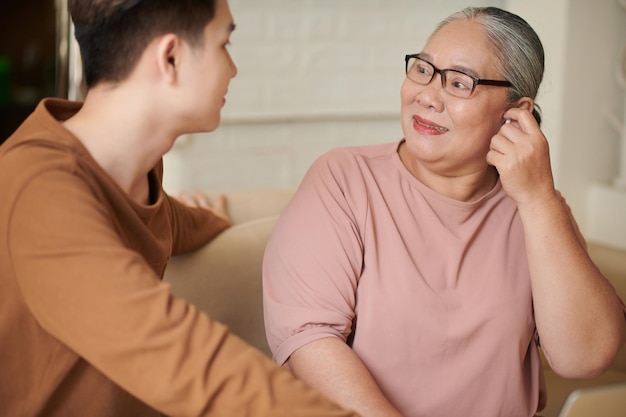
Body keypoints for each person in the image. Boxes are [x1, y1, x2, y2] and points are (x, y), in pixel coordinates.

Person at [0, 1, 361, 416]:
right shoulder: (40, 190)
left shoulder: (134, 172)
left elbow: (169, 220)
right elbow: (185, 360)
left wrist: (218, 218)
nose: (233, 68)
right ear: (170, 57)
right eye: (224, 43)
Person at [262, 6, 626, 417]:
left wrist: (540, 200)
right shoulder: (345, 179)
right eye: (422, 70)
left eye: (459, 82)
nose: (428, 95)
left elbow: (585, 357)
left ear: (517, 112)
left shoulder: (535, 207)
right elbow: (309, 341)